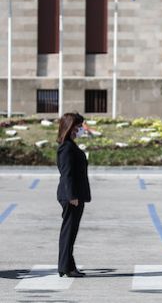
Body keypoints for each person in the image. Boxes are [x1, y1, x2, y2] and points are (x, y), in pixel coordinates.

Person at [56, 112, 91, 278]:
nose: (81, 130)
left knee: (70, 232)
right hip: (72, 196)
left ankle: (68, 266)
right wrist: (72, 196)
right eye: (78, 127)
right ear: (70, 128)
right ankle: (66, 267)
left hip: (75, 195)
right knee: (68, 232)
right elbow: (66, 174)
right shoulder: (66, 147)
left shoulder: (70, 145)